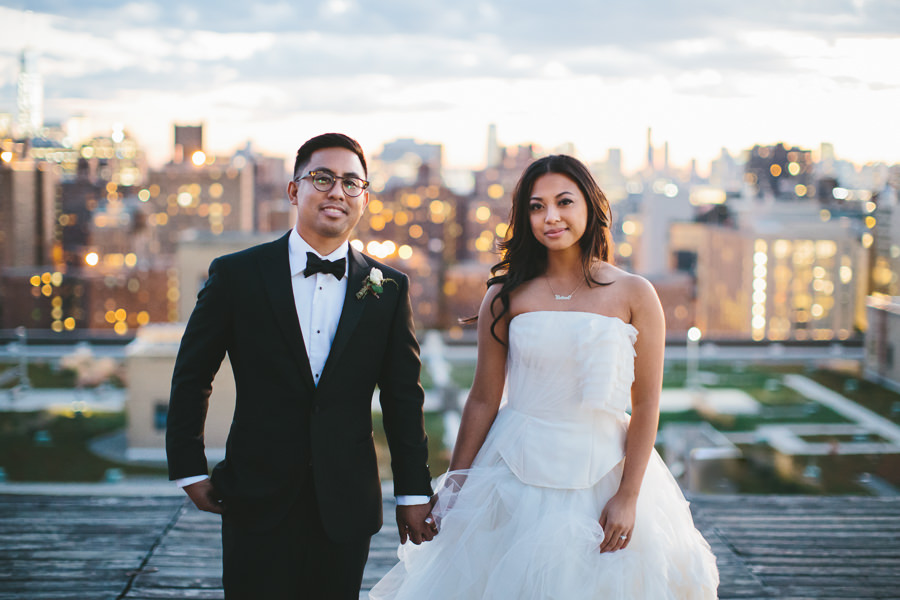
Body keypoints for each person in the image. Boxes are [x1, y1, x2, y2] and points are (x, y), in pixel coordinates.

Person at [370, 155, 719, 599]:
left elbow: (647, 402)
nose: (550, 217)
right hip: (513, 471)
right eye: (536, 207)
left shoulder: (635, 293)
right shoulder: (504, 295)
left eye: (564, 202)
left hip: (605, 474)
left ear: (591, 206)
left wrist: (628, 496)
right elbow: (482, 398)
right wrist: (457, 483)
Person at [166, 133, 436, 600]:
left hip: (346, 502)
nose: (337, 192)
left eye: (352, 183)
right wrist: (188, 468)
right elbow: (193, 374)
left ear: (365, 198)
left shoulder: (388, 288)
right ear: (295, 190)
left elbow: (402, 396)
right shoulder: (236, 275)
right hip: (255, 493)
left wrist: (413, 492)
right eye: (323, 178)